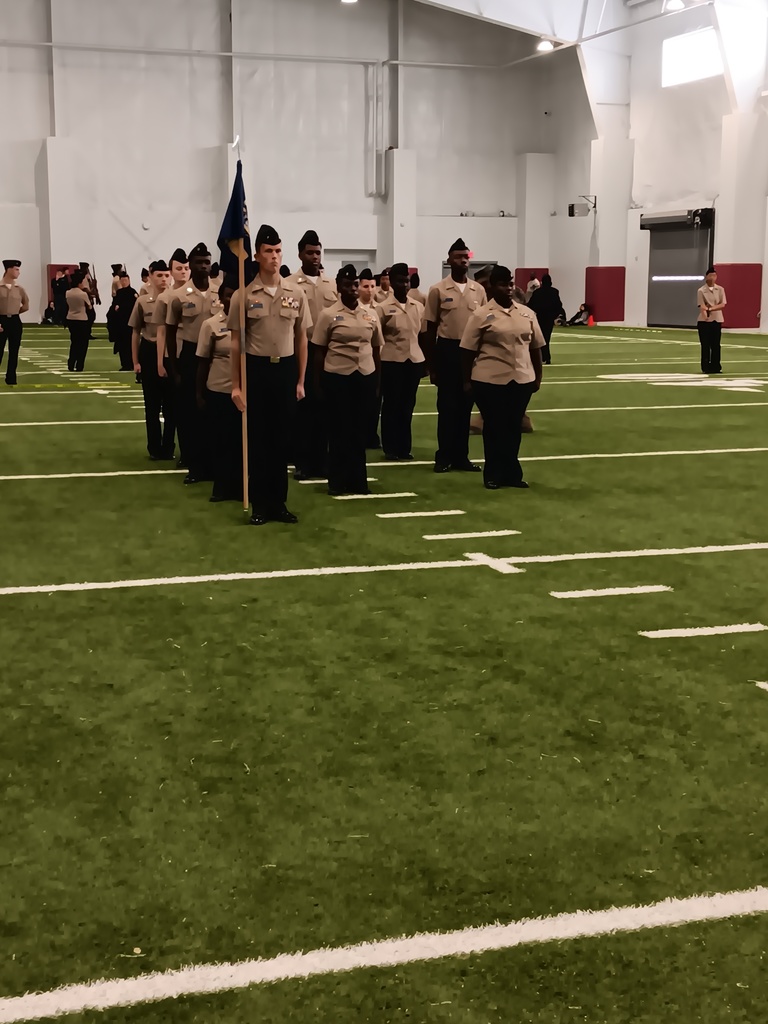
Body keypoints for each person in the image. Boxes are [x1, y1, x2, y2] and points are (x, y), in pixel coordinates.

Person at [229, 223, 309, 527]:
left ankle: (279, 503)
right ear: (257, 256)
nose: (274, 256)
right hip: (257, 370)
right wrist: (236, 385)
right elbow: (235, 342)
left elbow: (302, 337)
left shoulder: (296, 292)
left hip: (285, 370)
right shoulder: (244, 294)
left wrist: (300, 380)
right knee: (259, 440)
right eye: (268, 251)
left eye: (278, 251)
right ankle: (260, 505)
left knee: (282, 440)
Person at [461, 265, 544, 490]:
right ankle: (493, 474)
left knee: (513, 427)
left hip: (521, 378)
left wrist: (538, 376)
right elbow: (467, 350)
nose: (507, 289)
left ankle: (512, 474)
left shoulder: (526, 313)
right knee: (494, 427)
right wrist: (467, 380)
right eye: (502, 285)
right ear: (492, 286)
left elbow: (536, 347)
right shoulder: (480, 315)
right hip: (489, 379)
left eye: (510, 284)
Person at [313, 265, 384, 496]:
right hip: (337, 377)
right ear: (339, 287)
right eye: (347, 285)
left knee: (359, 431)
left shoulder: (370, 314)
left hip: (364, 376)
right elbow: (319, 351)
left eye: (355, 284)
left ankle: (358, 481)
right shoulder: (328, 314)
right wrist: (318, 383)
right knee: (339, 431)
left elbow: (376, 349)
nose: (353, 289)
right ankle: (337, 481)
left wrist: (377, 382)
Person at [424, 238, 487, 473]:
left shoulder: (478, 290)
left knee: (465, 406)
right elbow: (430, 329)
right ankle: (444, 457)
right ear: (449, 260)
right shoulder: (438, 290)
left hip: (471, 353)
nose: (463, 261)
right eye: (458, 257)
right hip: (447, 351)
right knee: (447, 407)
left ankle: (461, 457)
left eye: (466, 257)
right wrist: (432, 366)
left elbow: (484, 325)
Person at [287, 230, 338, 481]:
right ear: (300, 255)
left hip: (328, 353)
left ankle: (322, 462)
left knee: (325, 409)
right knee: (303, 410)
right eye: (310, 253)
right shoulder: (289, 284)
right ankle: (303, 462)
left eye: (318, 252)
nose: (315, 257)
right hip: (302, 350)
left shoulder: (331, 285)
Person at [165, 242, 215, 484]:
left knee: (212, 412)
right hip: (190, 356)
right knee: (189, 413)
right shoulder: (179, 296)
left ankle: (212, 465)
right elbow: (170, 332)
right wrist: (174, 368)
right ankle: (194, 465)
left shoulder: (220, 292)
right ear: (190, 266)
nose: (203, 266)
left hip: (215, 359)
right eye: (198, 262)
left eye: (206, 262)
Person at [196, 278, 241, 503]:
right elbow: (203, 361)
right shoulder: (211, 325)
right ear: (221, 298)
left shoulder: (250, 324)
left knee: (241, 442)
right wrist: (199, 393)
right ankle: (221, 487)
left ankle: (241, 487)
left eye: (236, 295)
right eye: (228, 295)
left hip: (244, 393)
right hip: (219, 389)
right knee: (221, 441)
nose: (232, 299)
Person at [376, 262, 425, 461]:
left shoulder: (418, 307)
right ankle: (391, 448)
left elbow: (422, 335)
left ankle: (404, 447)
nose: (404, 285)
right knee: (391, 405)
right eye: (399, 281)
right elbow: (377, 338)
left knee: (407, 405)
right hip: (391, 361)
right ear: (391, 283)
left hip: (413, 361)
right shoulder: (382, 308)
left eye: (406, 281)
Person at [129, 259, 176, 461]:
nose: (164, 279)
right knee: (152, 405)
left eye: (166, 275)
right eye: (159, 275)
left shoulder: (175, 299)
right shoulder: (142, 301)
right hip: (149, 351)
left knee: (172, 405)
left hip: (170, 352)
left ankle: (168, 447)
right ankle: (154, 448)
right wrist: (135, 362)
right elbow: (135, 332)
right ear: (150, 276)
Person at [154, 248, 189, 463]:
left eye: (185, 268)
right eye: (179, 268)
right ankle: (168, 447)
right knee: (171, 408)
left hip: (193, 354)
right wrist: (160, 361)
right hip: (172, 355)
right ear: (171, 271)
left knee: (191, 408)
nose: (183, 272)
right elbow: (161, 331)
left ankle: (190, 452)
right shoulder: (165, 298)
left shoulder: (200, 293)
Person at [0, 260, 29, 386]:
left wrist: (15, 312)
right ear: (8, 269)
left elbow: (26, 305)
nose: (19, 272)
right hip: (1, 321)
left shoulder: (19, 289)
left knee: (14, 351)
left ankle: (11, 377)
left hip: (15, 321)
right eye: (16, 269)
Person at [526, 273, 564, 365]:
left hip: (540, 317)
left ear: (542, 282)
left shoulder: (537, 292)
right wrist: (555, 315)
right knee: (547, 337)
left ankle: (543, 356)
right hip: (549, 318)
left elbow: (531, 305)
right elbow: (558, 305)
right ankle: (547, 357)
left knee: (540, 337)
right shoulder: (554, 292)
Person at [697, 268, 726, 374]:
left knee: (716, 345)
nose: (712, 278)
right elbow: (702, 306)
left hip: (717, 320)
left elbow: (722, 304)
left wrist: (710, 308)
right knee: (705, 345)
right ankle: (705, 367)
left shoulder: (720, 289)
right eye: (710, 275)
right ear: (706, 277)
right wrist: (706, 315)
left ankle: (716, 366)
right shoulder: (701, 290)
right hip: (704, 321)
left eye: (714, 275)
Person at [108, 272, 137, 370]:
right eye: (122, 280)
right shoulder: (119, 293)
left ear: (129, 280)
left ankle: (132, 363)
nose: (124, 282)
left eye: (126, 280)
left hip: (130, 323)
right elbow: (114, 307)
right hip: (120, 324)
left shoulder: (133, 292)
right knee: (122, 345)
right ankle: (125, 364)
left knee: (131, 344)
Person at [65, 270, 93, 371]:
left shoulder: (67, 293)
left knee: (74, 342)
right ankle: (79, 365)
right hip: (81, 319)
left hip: (71, 318)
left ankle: (71, 363)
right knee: (83, 344)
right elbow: (89, 307)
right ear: (79, 283)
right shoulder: (83, 294)